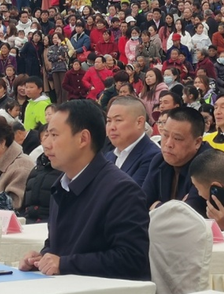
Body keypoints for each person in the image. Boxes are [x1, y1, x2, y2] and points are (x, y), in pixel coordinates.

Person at [19, 100, 150, 280]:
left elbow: (132, 260)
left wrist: (64, 264)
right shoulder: (62, 184)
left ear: (83, 139)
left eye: (54, 135)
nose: (46, 144)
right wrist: (42, 258)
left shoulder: (121, 190)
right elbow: (60, 246)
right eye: (47, 135)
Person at [142, 107, 209, 212]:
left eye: (177, 139)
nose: (168, 144)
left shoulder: (209, 165)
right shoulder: (159, 160)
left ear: (197, 142)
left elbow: (186, 215)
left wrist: (156, 206)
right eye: (165, 135)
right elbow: (142, 203)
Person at [104, 96, 158, 186]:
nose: (111, 127)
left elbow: (129, 196)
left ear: (139, 122)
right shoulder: (108, 156)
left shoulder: (153, 157)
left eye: (118, 120)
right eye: (109, 121)